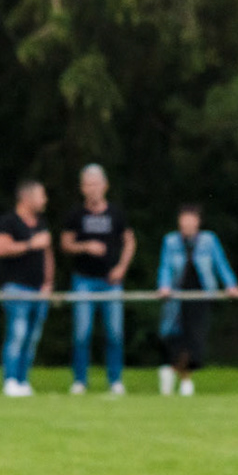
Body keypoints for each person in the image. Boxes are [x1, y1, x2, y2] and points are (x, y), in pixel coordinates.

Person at [60, 164, 135, 396]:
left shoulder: (116, 213)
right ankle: (80, 380)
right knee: (82, 333)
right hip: (83, 281)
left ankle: (115, 380)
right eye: (88, 184)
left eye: (96, 184)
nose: (93, 189)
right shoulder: (75, 215)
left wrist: (121, 267)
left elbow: (130, 242)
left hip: (111, 282)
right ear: (83, 188)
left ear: (105, 186)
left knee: (114, 333)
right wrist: (85, 246)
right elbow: (65, 244)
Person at [155, 203, 238, 396]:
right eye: (183, 220)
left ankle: (186, 380)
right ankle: (169, 375)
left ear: (198, 222)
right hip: (176, 297)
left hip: (200, 296)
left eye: (191, 220)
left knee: (195, 339)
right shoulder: (170, 242)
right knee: (172, 337)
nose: (186, 224)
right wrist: (164, 286)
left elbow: (220, 263)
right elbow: (165, 267)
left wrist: (230, 284)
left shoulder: (209, 241)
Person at [0, 179, 54, 397]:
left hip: (39, 291)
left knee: (32, 338)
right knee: (16, 335)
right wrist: (30, 244)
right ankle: (10, 380)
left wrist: (48, 283)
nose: (45, 200)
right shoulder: (8, 222)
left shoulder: (41, 223)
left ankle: (23, 381)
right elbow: (0, 248)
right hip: (16, 288)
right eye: (41, 195)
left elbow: (47, 254)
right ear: (27, 198)